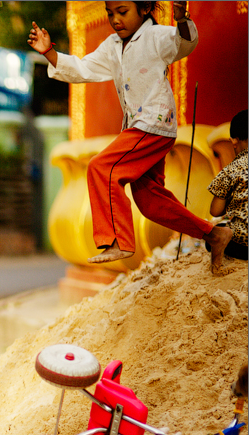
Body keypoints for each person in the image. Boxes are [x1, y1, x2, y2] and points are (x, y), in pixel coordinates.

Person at [29, 1, 233, 273]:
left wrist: (182, 18)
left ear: (146, 8)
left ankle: (119, 239)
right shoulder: (112, 46)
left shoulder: (157, 36)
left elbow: (184, 44)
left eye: (122, 12)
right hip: (137, 128)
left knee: (103, 168)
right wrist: (49, 52)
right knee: (151, 202)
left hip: (153, 124)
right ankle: (214, 234)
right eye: (110, 14)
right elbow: (82, 68)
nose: (115, 20)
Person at [206, 109, 247, 261]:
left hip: (243, 246)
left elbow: (215, 211)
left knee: (215, 234)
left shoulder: (231, 170)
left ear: (234, 141)